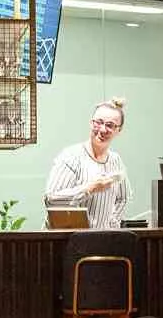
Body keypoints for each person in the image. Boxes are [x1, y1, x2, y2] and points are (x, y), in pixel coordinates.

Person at [45, 97, 131, 228]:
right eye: (98, 122)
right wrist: (90, 188)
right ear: (91, 123)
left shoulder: (116, 161)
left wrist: (112, 224)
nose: (102, 130)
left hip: (99, 241)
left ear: (118, 130)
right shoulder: (71, 156)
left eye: (110, 125)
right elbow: (51, 200)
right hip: (66, 241)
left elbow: (123, 198)